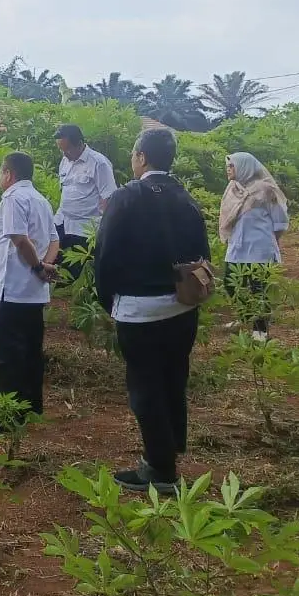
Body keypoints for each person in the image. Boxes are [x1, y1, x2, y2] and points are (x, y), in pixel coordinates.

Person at [93, 128, 210, 494]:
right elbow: (201, 255)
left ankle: (160, 470)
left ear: (141, 157)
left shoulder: (126, 198)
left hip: (139, 311)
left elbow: (105, 254)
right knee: (173, 379)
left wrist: (107, 299)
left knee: (145, 387)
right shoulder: (185, 198)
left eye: (133, 154)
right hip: (181, 308)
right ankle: (169, 449)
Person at [0, 152, 60, 422]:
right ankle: (32, 406)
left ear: (9, 174)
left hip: (14, 288)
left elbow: (19, 239)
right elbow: (55, 240)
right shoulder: (40, 200)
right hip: (33, 291)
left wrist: (38, 267)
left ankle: (10, 415)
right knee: (31, 350)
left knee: (8, 354)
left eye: (0, 172)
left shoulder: (12, 198)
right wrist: (45, 266)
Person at [219, 152, 288, 338]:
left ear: (244, 167)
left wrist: (270, 243)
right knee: (230, 284)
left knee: (260, 292)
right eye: (228, 165)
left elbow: (280, 222)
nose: (228, 169)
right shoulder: (232, 189)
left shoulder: (266, 191)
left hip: (260, 251)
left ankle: (260, 333)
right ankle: (246, 318)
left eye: (232, 165)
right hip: (237, 248)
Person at [55, 124, 118, 280]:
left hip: (85, 228)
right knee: (58, 266)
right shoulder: (64, 161)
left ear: (80, 143)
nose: (65, 154)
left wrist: (104, 230)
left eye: (67, 149)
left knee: (77, 273)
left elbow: (108, 197)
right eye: (61, 150)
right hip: (62, 221)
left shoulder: (99, 163)